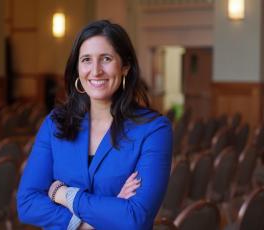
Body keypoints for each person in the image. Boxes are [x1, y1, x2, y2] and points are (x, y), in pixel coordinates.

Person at [17, 20, 172, 230]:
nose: (96, 71)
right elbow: (27, 204)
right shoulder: (56, 123)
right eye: (86, 60)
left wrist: (64, 194)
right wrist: (89, 223)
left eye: (106, 59)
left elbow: (135, 218)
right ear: (77, 68)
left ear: (125, 66)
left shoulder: (154, 129)